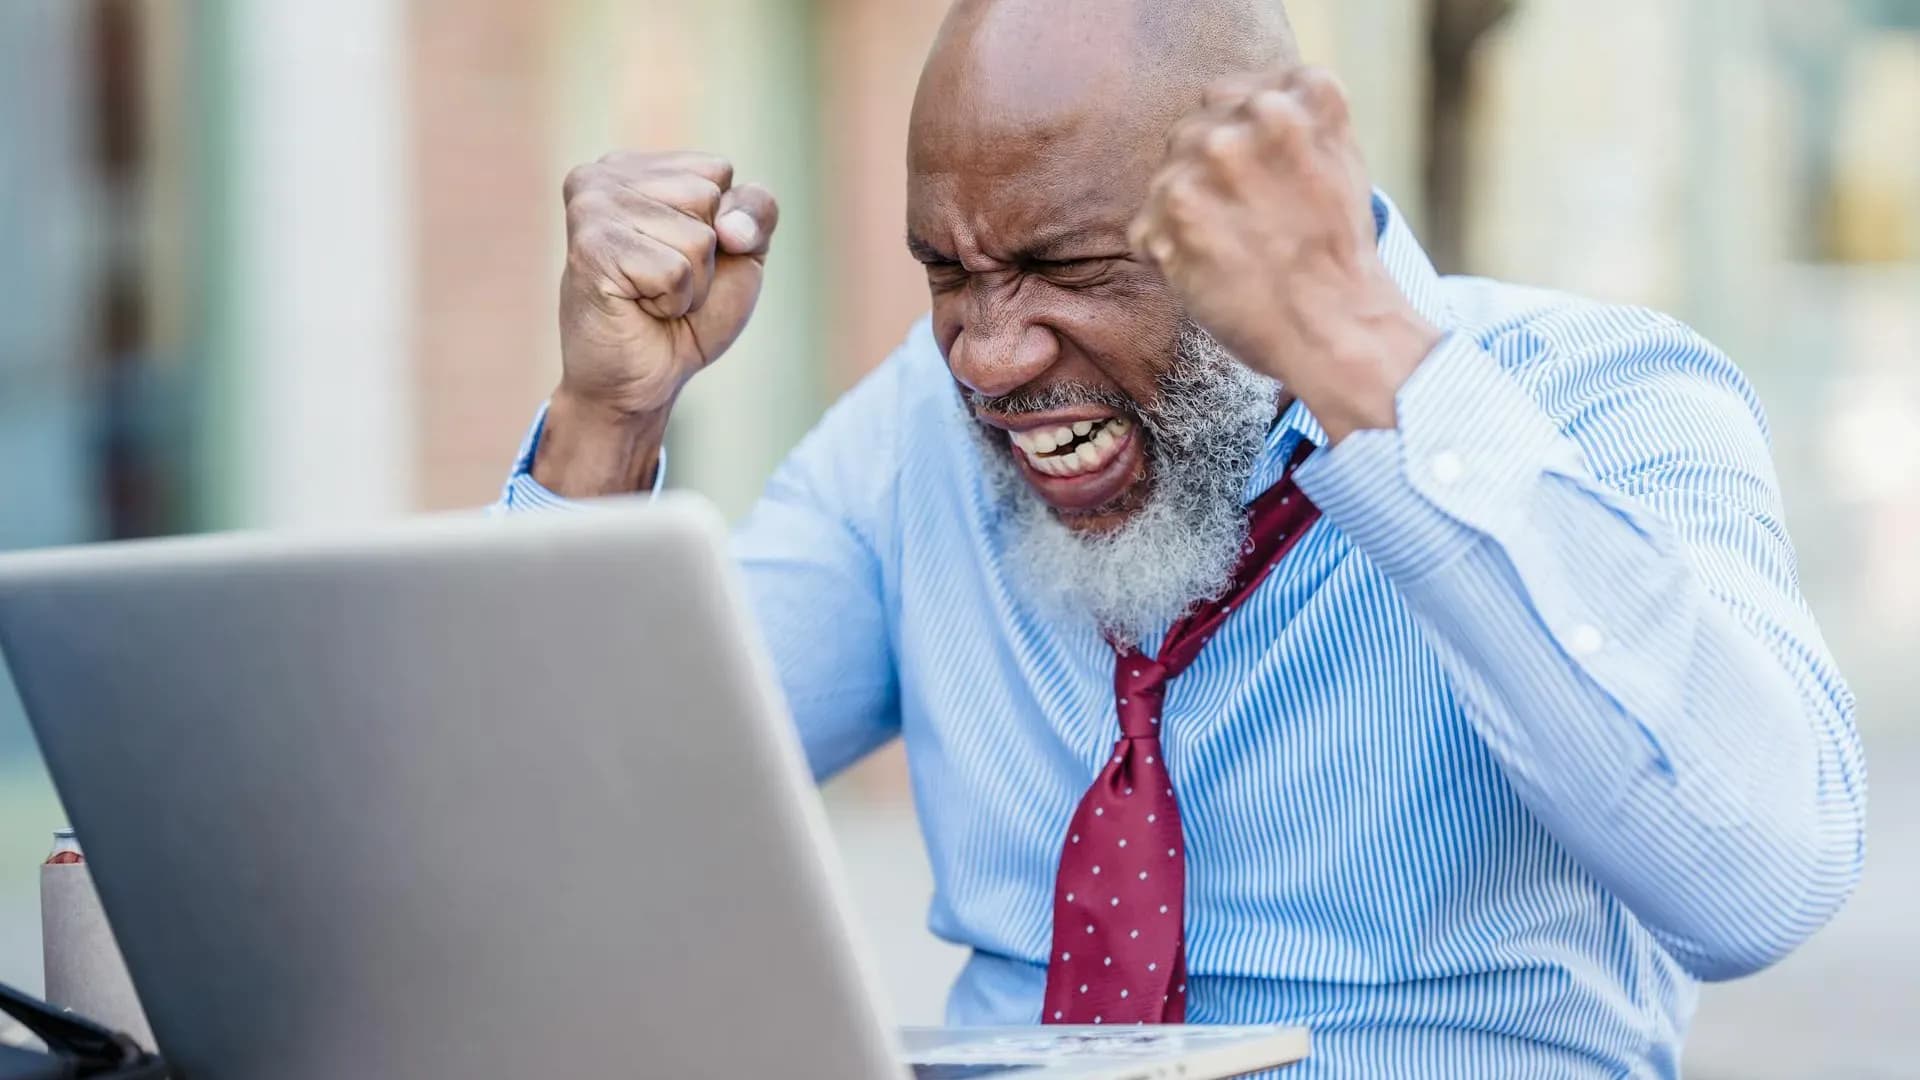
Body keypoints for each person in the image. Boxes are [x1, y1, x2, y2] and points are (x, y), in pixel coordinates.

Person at [500, 0, 1866, 1075]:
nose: (988, 355)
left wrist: (1373, 371)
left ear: (1258, 204)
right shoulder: (909, 432)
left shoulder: (1602, 398)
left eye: (1069, 270)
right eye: (949, 275)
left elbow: (1754, 882)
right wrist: (607, 418)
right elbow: (552, 837)